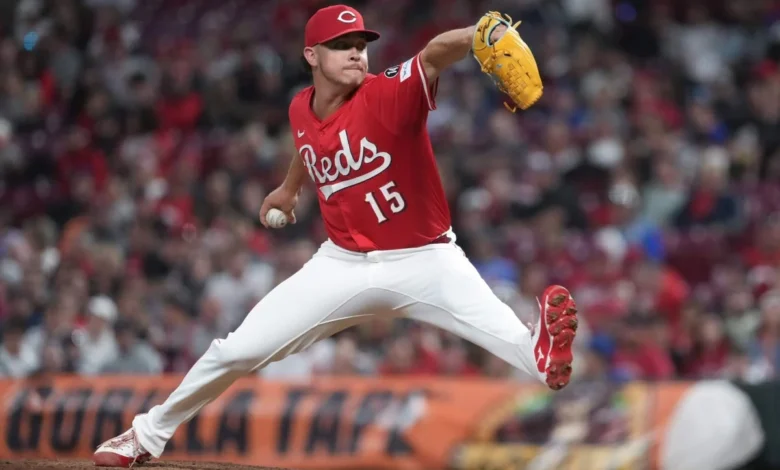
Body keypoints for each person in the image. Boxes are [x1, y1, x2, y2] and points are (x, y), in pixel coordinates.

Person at [93, 5, 579, 467]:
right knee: (236, 350)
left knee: (519, 348)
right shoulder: (299, 108)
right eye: (341, 45)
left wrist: (478, 34)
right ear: (312, 55)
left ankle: (541, 352)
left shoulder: (387, 94)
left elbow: (432, 55)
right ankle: (146, 435)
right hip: (342, 264)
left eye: (360, 45)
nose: (355, 54)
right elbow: (310, 141)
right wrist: (289, 189)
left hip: (426, 260)